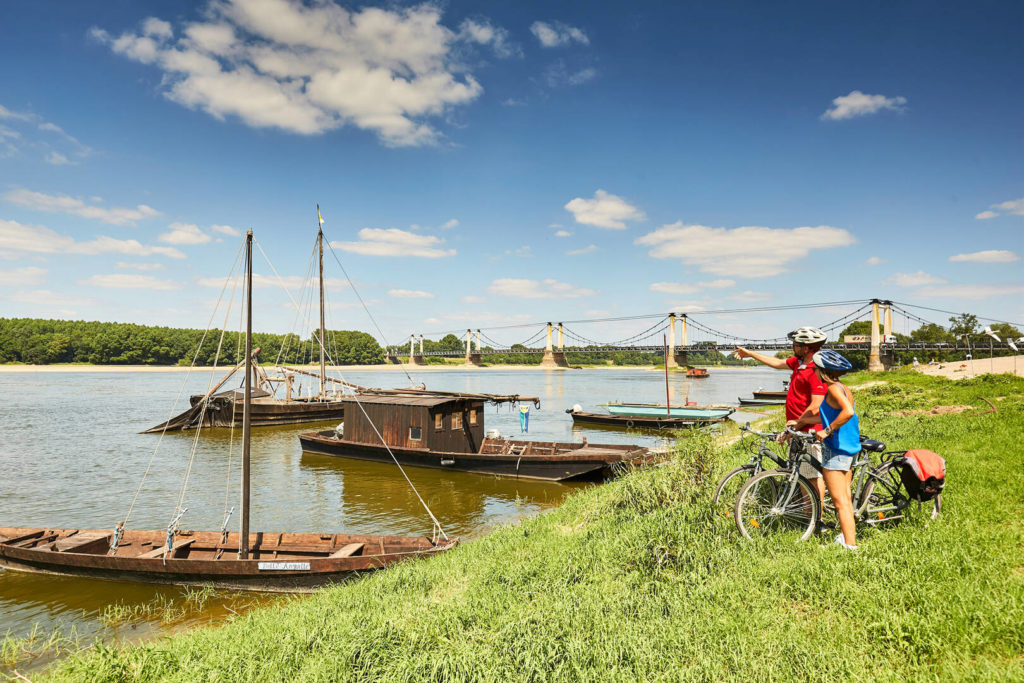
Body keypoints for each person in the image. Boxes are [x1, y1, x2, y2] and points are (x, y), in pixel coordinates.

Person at [734, 327, 829, 509]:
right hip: (796, 429)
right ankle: (807, 515)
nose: (792, 346)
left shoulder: (815, 370)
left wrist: (795, 426)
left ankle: (817, 521)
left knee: (812, 477)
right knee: (800, 474)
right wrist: (750, 354)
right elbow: (777, 363)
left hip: (809, 431)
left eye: (795, 344)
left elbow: (816, 406)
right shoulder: (799, 363)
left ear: (806, 348)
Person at [794, 350, 860, 551]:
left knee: (840, 502)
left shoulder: (832, 390)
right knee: (845, 500)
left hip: (836, 449)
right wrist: (801, 422)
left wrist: (826, 431)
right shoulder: (842, 387)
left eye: (815, 367)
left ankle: (850, 546)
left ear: (822, 371)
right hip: (848, 448)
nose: (812, 370)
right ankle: (845, 538)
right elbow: (831, 415)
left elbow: (848, 412)